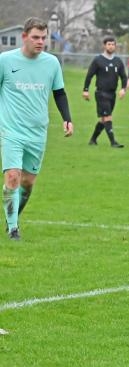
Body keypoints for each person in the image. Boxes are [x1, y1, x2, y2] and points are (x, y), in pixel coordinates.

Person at [0, 17, 73, 241]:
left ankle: (12, 217)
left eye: (44, 38)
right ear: (24, 37)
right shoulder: (5, 60)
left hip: (38, 132)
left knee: (28, 184)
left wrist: (67, 119)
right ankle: (13, 229)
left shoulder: (51, 63)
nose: (40, 42)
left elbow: (59, 92)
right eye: (35, 37)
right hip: (11, 130)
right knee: (12, 176)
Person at [83, 36, 126, 148]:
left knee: (104, 119)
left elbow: (124, 77)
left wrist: (123, 89)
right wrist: (85, 90)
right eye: (109, 44)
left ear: (115, 46)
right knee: (108, 117)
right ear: (104, 45)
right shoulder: (98, 60)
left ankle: (93, 140)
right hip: (101, 93)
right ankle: (113, 142)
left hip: (112, 94)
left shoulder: (118, 61)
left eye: (113, 44)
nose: (111, 46)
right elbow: (89, 75)